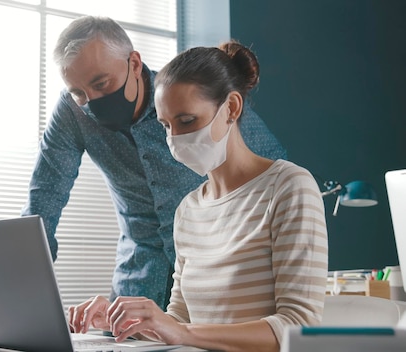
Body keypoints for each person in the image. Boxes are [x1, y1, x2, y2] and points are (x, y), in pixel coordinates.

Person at [67, 41, 328, 352]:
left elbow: (297, 327)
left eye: (187, 121)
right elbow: (178, 321)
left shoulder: (288, 187)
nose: (175, 139)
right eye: (166, 125)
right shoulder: (189, 209)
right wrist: (119, 323)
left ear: (231, 108)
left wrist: (182, 333)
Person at [21, 16, 287, 310]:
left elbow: (270, 175)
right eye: (79, 92)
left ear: (134, 64)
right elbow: (46, 191)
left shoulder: (188, 98)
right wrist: (25, 276)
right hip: (135, 287)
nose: (91, 101)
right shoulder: (73, 112)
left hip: (214, 282)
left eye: (101, 83)